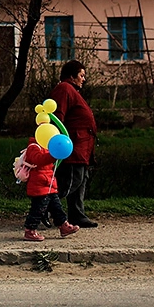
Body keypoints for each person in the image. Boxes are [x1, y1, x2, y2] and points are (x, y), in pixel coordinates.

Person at [50, 59, 98, 227]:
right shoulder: (64, 89)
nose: (83, 79)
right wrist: (58, 140)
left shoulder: (72, 90)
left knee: (80, 181)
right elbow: (58, 114)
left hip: (82, 146)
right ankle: (44, 208)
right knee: (70, 182)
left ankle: (77, 215)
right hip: (73, 146)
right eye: (81, 75)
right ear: (71, 76)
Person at [21, 135, 80, 241]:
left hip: (49, 184)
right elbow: (38, 159)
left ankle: (63, 225)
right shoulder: (34, 147)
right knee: (38, 209)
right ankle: (30, 230)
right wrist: (53, 155)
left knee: (56, 207)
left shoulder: (47, 147)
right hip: (39, 186)